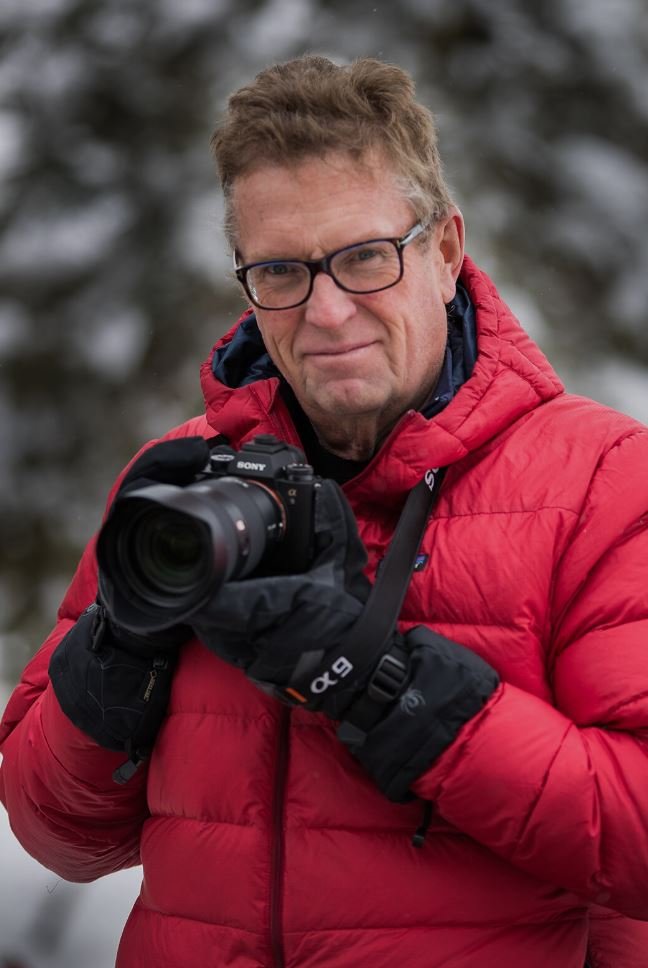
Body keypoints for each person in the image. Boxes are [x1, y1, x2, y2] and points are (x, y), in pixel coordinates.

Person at [1, 55, 647, 968]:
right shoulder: (181, 486)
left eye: (365, 258)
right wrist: (123, 642)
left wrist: (373, 677)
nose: (328, 311)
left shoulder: (602, 480)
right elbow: (55, 835)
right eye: (280, 271)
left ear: (446, 250)